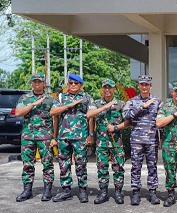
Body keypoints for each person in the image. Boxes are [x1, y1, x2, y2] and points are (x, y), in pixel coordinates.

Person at [50, 74, 94, 203]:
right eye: (71, 83)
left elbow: (91, 117)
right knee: (64, 164)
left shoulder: (87, 98)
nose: (73, 85)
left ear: (81, 85)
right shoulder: (61, 97)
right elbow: (53, 113)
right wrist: (69, 105)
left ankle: (82, 190)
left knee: (81, 164)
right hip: (63, 136)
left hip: (80, 136)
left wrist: (91, 135)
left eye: (76, 83)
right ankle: (66, 190)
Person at [15, 72, 58, 202]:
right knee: (27, 164)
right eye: (34, 81)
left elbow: (55, 119)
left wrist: (54, 137)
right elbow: (18, 113)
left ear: (44, 84)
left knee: (47, 164)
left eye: (39, 81)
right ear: (32, 83)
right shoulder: (25, 98)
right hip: (28, 136)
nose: (37, 84)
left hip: (45, 136)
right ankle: (27, 190)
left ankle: (47, 190)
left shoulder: (51, 99)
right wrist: (33, 104)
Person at [86, 78, 129, 205]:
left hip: (117, 142)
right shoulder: (96, 103)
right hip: (101, 142)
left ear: (114, 89)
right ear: (102, 89)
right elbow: (89, 115)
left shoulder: (121, 104)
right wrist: (106, 106)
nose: (107, 90)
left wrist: (116, 127)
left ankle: (118, 192)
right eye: (105, 87)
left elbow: (128, 122)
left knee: (118, 168)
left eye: (110, 87)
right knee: (102, 168)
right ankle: (103, 192)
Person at [123, 75, 163, 205]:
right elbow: (126, 116)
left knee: (152, 167)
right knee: (136, 167)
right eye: (142, 84)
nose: (144, 87)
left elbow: (161, 121)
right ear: (138, 86)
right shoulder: (132, 101)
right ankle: (136, 192)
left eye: (147, 85)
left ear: (150, 86)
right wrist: (142, 107)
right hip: (136, 139)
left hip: (151, 139)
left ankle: (152, 192)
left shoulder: (157, 101)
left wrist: (161, 138)